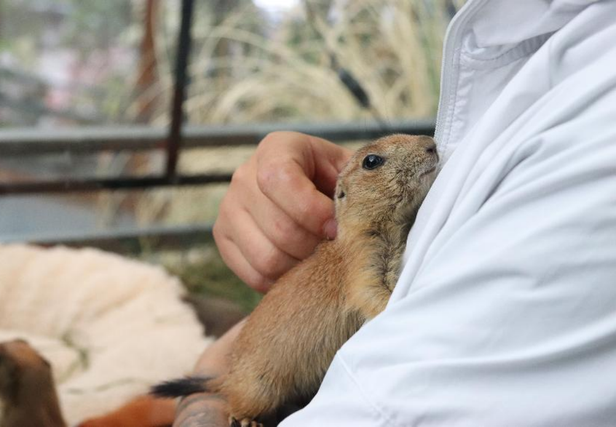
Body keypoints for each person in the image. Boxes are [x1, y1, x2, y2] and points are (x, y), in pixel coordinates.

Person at [176, 0, 616, 425]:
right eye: (373, 164)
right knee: (256, 393)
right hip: (263, 371)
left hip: (258, 364)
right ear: (343, 195)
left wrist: (210, 366)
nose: (428, 146)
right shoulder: (353, 247)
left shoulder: (593, 132)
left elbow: (388, 387)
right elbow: (369, 293)